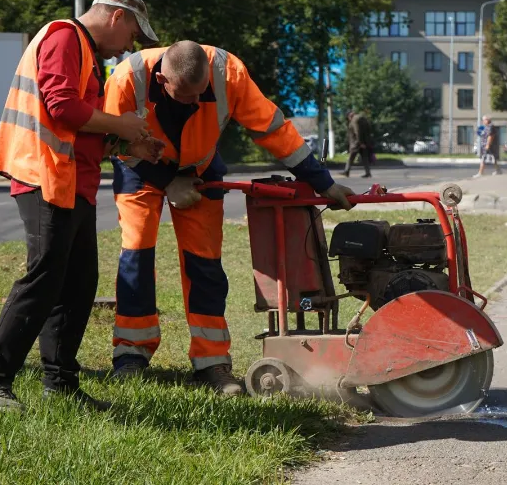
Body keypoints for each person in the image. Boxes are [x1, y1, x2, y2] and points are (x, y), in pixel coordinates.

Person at [103, 40, 356, 395]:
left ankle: (211, 363)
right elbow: (113, 141)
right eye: (186, 97)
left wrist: (322, 181)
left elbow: (272, 128)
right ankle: (130, 356)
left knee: (205, 265)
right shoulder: (129, 77)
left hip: (201, 171)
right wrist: (166, 182)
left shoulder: (228, 72)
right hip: (140, 171)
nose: (195, 104)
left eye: (201, 95)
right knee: (137, 257)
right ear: (162, 81)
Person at [0, 0, 164, 412]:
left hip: (69, 181)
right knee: (43, 281)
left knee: (78, 286)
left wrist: (128, 145)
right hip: (42, 176)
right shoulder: (63, 36)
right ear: (117, 18)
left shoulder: (89, 54)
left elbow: (81, 129)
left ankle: (60, 384)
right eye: (133, 33)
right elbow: (61, 108)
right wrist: (122, 124)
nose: (131, 46)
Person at [343, 110, 373, 178]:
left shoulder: (354, 119)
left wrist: (360, 142)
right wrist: (366, 142)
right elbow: (368, 129)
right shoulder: (363, 118)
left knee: (351, 157)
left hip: (357, 143)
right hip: (364, 142)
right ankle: (368, 173)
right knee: (365, 158)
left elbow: (357, 131)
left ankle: (346, 171)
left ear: (349, 116)